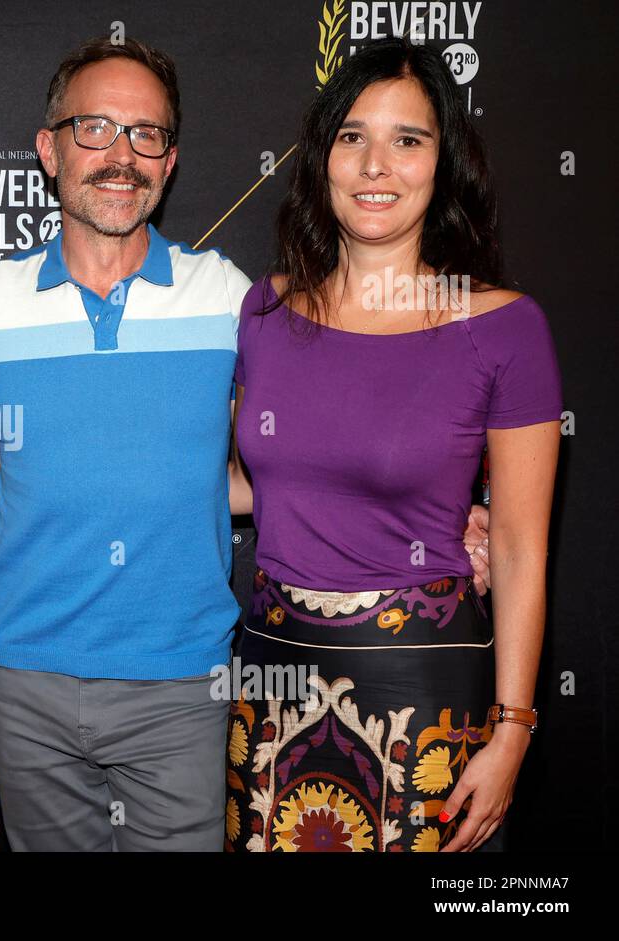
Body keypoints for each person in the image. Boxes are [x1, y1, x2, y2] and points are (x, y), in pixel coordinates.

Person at [0, 36, 491, 852]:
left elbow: (302, 451)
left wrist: (450, 510)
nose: (121, 156)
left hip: (184, 685)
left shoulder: (231, 299)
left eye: (147, 134)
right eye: (95, 128)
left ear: (170, 161)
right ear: (49, 147)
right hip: (24, 681)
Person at [225, 38, 560, 852]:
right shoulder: (264, 313)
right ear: (322, 158)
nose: (377, 165)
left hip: (425, 683)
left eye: (408, 140)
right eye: (352, 137)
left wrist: (513, 729)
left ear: (443, 164)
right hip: (267, 680)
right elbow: (256, 484)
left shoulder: (504, 329)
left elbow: (516, 546)